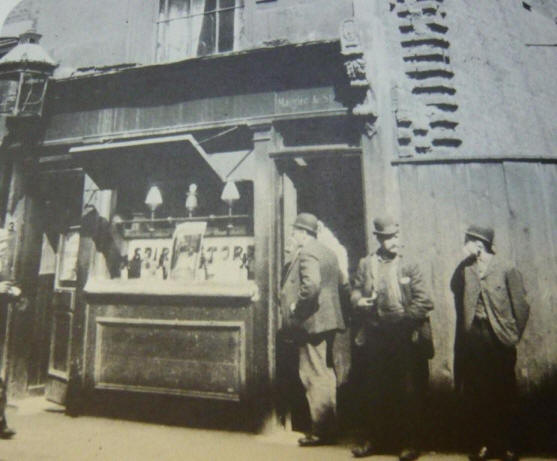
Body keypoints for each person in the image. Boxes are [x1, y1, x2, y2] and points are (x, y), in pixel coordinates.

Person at [350, 216, 434, 461]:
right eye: (389, 237)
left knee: (408, 391)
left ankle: (410, 443)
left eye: (397, 236)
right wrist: (358, 300)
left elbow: (424, 301)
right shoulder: (367, 264)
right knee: (375, 389)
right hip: (376, 333)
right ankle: (375, 440)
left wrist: (404, 322)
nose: (395, 241)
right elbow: (355, 288)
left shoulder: (410, 265)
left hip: (406, 334)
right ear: (378, 238)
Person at [451, 225, 530, 461]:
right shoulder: (465, 269)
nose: (464, 246)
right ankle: (482, 445)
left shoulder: (506, 268)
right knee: (477, 392)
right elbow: (456, 292)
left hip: (500, 339)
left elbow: (522, 306)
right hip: (475, 337)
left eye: (467, 241)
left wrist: (512, 335)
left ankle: (508, 446)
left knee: (504, 392)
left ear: (479, 244)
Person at [279, 212, 346, 446]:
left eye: (294, 232)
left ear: (302, 233)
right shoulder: (327, 251)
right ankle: (329, 425)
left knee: (312, 374)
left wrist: (298, 305)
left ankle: (321, 431)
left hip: (312, 322)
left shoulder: (307, 252)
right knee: (325, 373)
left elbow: (312, 285)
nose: (292, 236)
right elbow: (337, 282)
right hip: (327, 321)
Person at [0, 228, 19, 440]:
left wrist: (14, 291)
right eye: (2, 243)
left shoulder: (3, 264)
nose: (5, 247)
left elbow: (9, 284)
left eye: (6, 243)